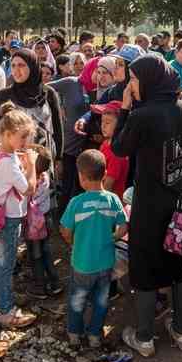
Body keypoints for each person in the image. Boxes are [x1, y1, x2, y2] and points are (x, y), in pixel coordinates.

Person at [111, 54, 182, 357]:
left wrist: (125, 110)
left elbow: (119, 148)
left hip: (149, 207)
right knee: (181, 265)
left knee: (145, 266)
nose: (131, 85)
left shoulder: (143, 116)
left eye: (134, 79)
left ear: (149, 80)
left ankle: (144, 337)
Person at [60, 149, 129, 348]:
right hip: (106, 263)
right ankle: (95, 335)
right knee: (101, 302)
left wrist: (73, 242)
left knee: (77, 300)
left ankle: (74, 333)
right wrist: (113, 236)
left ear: (81, 177)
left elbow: (65, 230)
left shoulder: (76, 203)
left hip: (82, 263)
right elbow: (123, 226)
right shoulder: (113, 199)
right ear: (105, 174)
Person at [0, 103, 40, 328]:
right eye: (22, 138)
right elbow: (28, 188)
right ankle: (6, 310)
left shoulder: (0, 150)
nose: (25, 143)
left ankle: (2, 296)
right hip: (9, 218)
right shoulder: (9, 163)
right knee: (5, 263)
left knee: (3, 261)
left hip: (3, 214)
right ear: (8, 135)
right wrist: (32, 165)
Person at [0, 48, 64, 166]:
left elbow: (57, 128)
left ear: (32, 66)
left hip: (43, 161)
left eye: (21, 65)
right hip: (12, 161)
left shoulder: (48, 93)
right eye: (13, 66)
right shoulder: (5, 95)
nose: (16, 70)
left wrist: (58, 158)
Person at [48, 67, 91, 213]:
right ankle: (61, 217)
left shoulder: (98, 88)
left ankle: (77, 216)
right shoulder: (71, 83)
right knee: (66, 183)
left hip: (85, 144)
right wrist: (58, 105)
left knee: (81, 184)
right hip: (68, 141)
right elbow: (46, 89)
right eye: (96, 70)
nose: (97, 74)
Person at [26, 145, 63, 299]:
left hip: (34, 223)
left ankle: (39, 286)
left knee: (36, 255)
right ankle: (55, 283)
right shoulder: (46, 177)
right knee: (46, 251)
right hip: (46, 219)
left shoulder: (32, 183)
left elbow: (26, 195)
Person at [91, 101, 130, 199]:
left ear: (120, 125)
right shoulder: (105, 144)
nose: (103, 126)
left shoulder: (117, 153)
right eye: (102, 121)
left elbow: (108, 185)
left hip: (109, 203)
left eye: (107, 122)